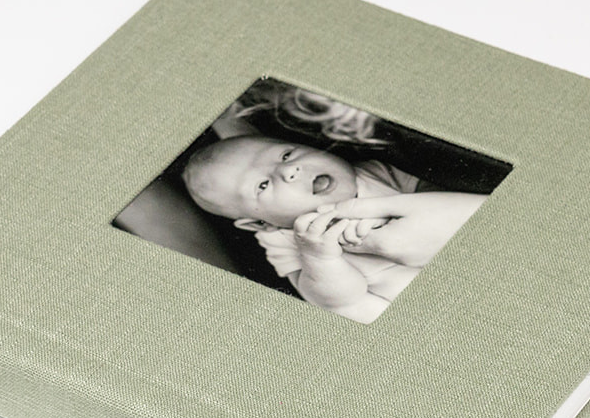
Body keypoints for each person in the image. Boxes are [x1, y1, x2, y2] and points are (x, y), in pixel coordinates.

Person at [181, 133, 486, 321]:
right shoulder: (283, 240)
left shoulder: (374, 171)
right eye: (262, 185)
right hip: (417, 311)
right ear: (260, 223)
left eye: (286, 155)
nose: (290, 170)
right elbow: (335, 301)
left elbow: (436, 194)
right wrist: (319, 258)